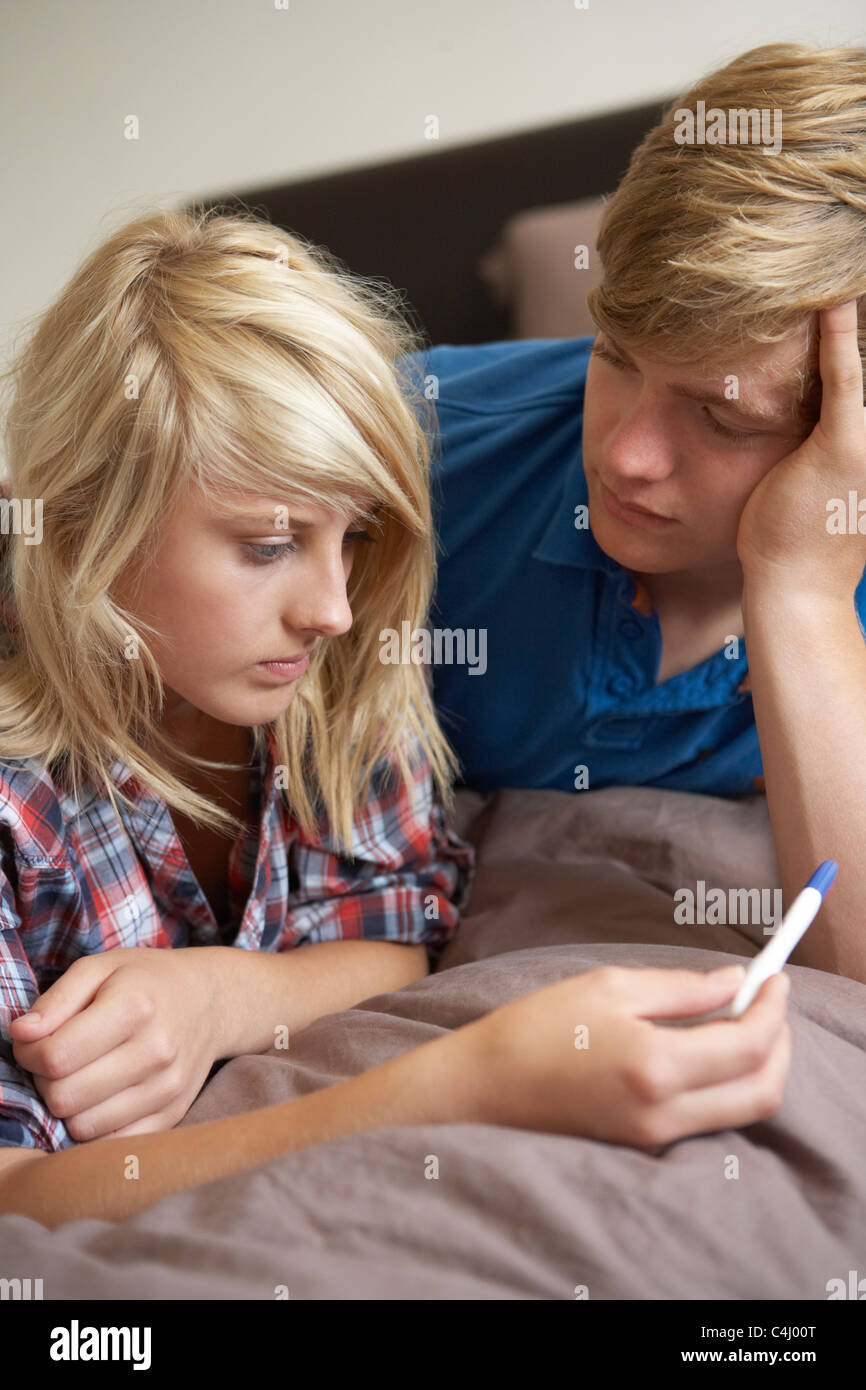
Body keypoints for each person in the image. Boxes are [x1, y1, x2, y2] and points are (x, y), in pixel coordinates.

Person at [0, 206, 788, 1230]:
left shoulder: (335, 678)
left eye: (353, 536)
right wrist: (453, 1082)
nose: (330, 607)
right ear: (79, 523)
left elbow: (390, 934)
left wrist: (219, 997)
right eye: (267, 544)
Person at [417, 41, 866, 985]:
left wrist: (802, 589)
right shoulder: (410, 444)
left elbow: (851, 966)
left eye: (721, 415)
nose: (623, 456)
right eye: (615, 352)